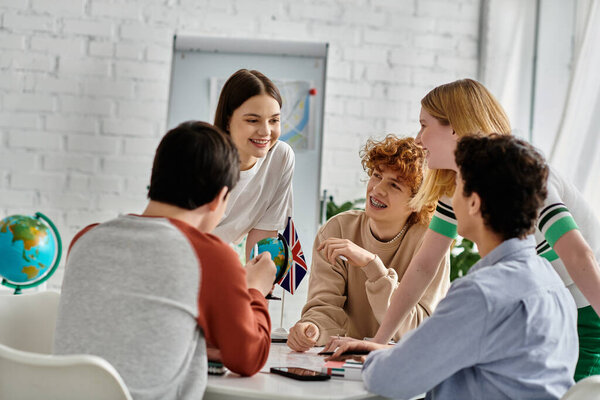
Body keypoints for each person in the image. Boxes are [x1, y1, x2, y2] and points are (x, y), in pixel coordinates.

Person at [356, 78, 600, 380]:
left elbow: (579, 257)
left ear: (455, 127)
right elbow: (424, 265)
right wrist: (380, 341)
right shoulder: (455, 185)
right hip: (539, 311)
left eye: (424, 125)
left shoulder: (522, 172)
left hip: (585, 308)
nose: (418, 139)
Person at [328, 135, 579, 400]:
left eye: (457, 186)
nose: (447, 198)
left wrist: (375, 362)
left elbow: (389, 381)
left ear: (474, 203)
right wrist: (387, 352)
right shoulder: (553, 284)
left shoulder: (481, 294)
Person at [54, 121, 276, 400]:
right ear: (220, 197)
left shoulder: (86, 239)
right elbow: (248, 358)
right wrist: (254, 288)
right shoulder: (209, 255)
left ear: (156, 179)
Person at [287, 136, 450, 351]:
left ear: (416, 202)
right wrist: (312, 328)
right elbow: (325, 306)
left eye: (394, 185)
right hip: (346, 360)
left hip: (399, 366)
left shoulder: (430, 245)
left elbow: (418, 331)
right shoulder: (337, 230)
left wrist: (373, 266)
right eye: (377, 175)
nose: (377, 189)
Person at [213, 69, 294, 260]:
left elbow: (263, 241)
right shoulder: (204, 157)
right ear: (227, 121)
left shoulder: (280, 157)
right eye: (252, 120)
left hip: (217, 258)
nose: (266, 131)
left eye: (274, 120)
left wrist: (259, 285)